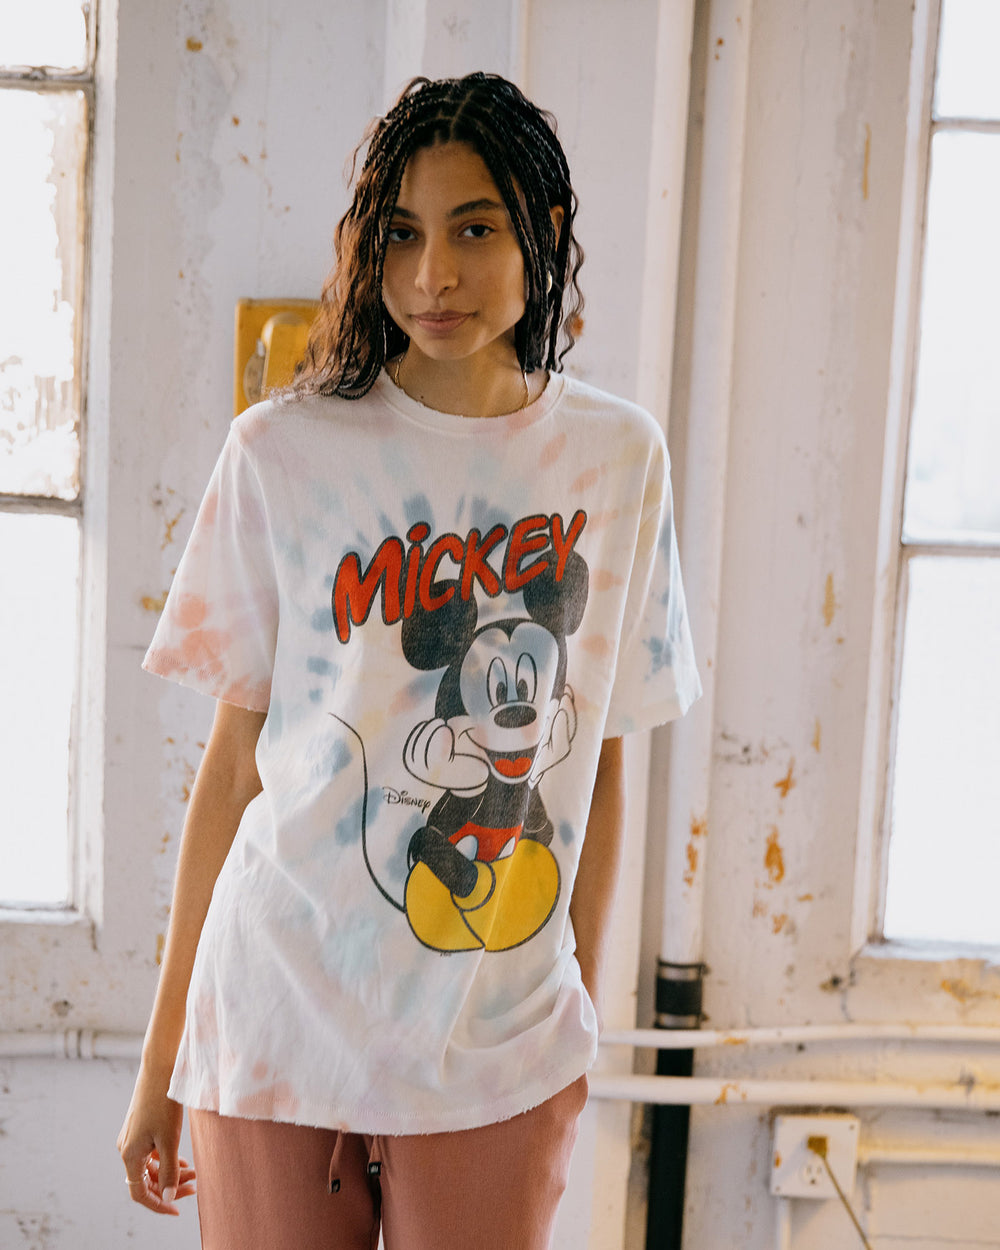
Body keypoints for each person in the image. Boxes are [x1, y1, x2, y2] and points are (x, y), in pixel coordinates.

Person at [117, 71, 700, 1250]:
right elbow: (230, 771)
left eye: (473, 230)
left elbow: (603, 758)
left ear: (542, 232)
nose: (433, 274)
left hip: (496, 1043)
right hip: (278, 1010)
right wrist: (160, 1063)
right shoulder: (281, 452)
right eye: (400, 234)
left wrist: (573, 1006)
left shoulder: (616, 460)